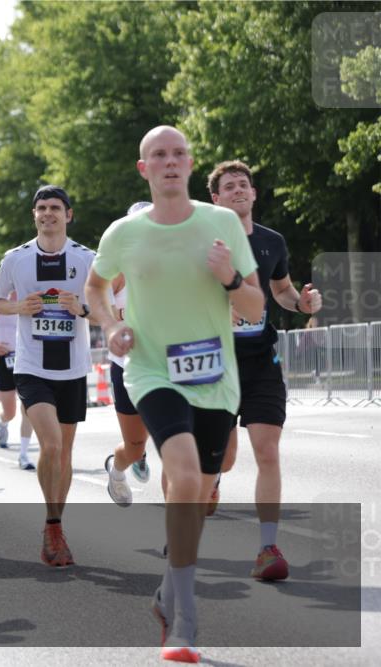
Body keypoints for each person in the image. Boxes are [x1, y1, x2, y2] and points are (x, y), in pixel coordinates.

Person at [86, 125, 263, 663]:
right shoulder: (124, 232)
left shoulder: (221, 223)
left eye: (178, 153)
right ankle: (183, 619)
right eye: (158, 155)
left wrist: (231, 278)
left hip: (214, 378)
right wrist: (110, 324)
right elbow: (94, 287)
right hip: (151, 371)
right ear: (144, 168)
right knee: (183, 475)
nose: (169, 161)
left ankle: (166, 592)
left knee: (203, 489)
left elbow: (255, 309)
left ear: (190, 164)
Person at [207, 159, 322, 580]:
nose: (239, 190)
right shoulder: (207, 243)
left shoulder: (272, 242)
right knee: (218, 457)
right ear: (215, 199)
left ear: (253, 194)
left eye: (244, 185)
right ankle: (205, 491)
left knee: (267, 450)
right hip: (213, 365)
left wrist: (302, 303)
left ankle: (267, 548)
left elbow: (281, 290)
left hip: (260, 362)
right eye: (229, 186)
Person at [0, 184, 97, 568]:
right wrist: (19, 306)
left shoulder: (87, 259)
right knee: (50, 445)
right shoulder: (16, 259)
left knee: (63, 453)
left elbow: (107, 311)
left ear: (68, 215)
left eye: (55, 207)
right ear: (34, 215)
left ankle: (55, 523)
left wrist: (81, 308)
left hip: (72, 367)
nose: (47, 213)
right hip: (31, 366)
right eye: (41, 208)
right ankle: (52, 526)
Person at [103, 201, 155, 507]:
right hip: (127, 364)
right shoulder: (118, 269)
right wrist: (116, 321)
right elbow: (95, 306)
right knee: (134, 446)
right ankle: (118, 469)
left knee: (177, 441)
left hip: (168, 364)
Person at [0, 285, 36, 468]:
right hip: (5, 358)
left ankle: (23, 455)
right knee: (10, 411)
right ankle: (2, 422)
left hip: (28, 358)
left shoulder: (32, 293)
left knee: (28, 407)